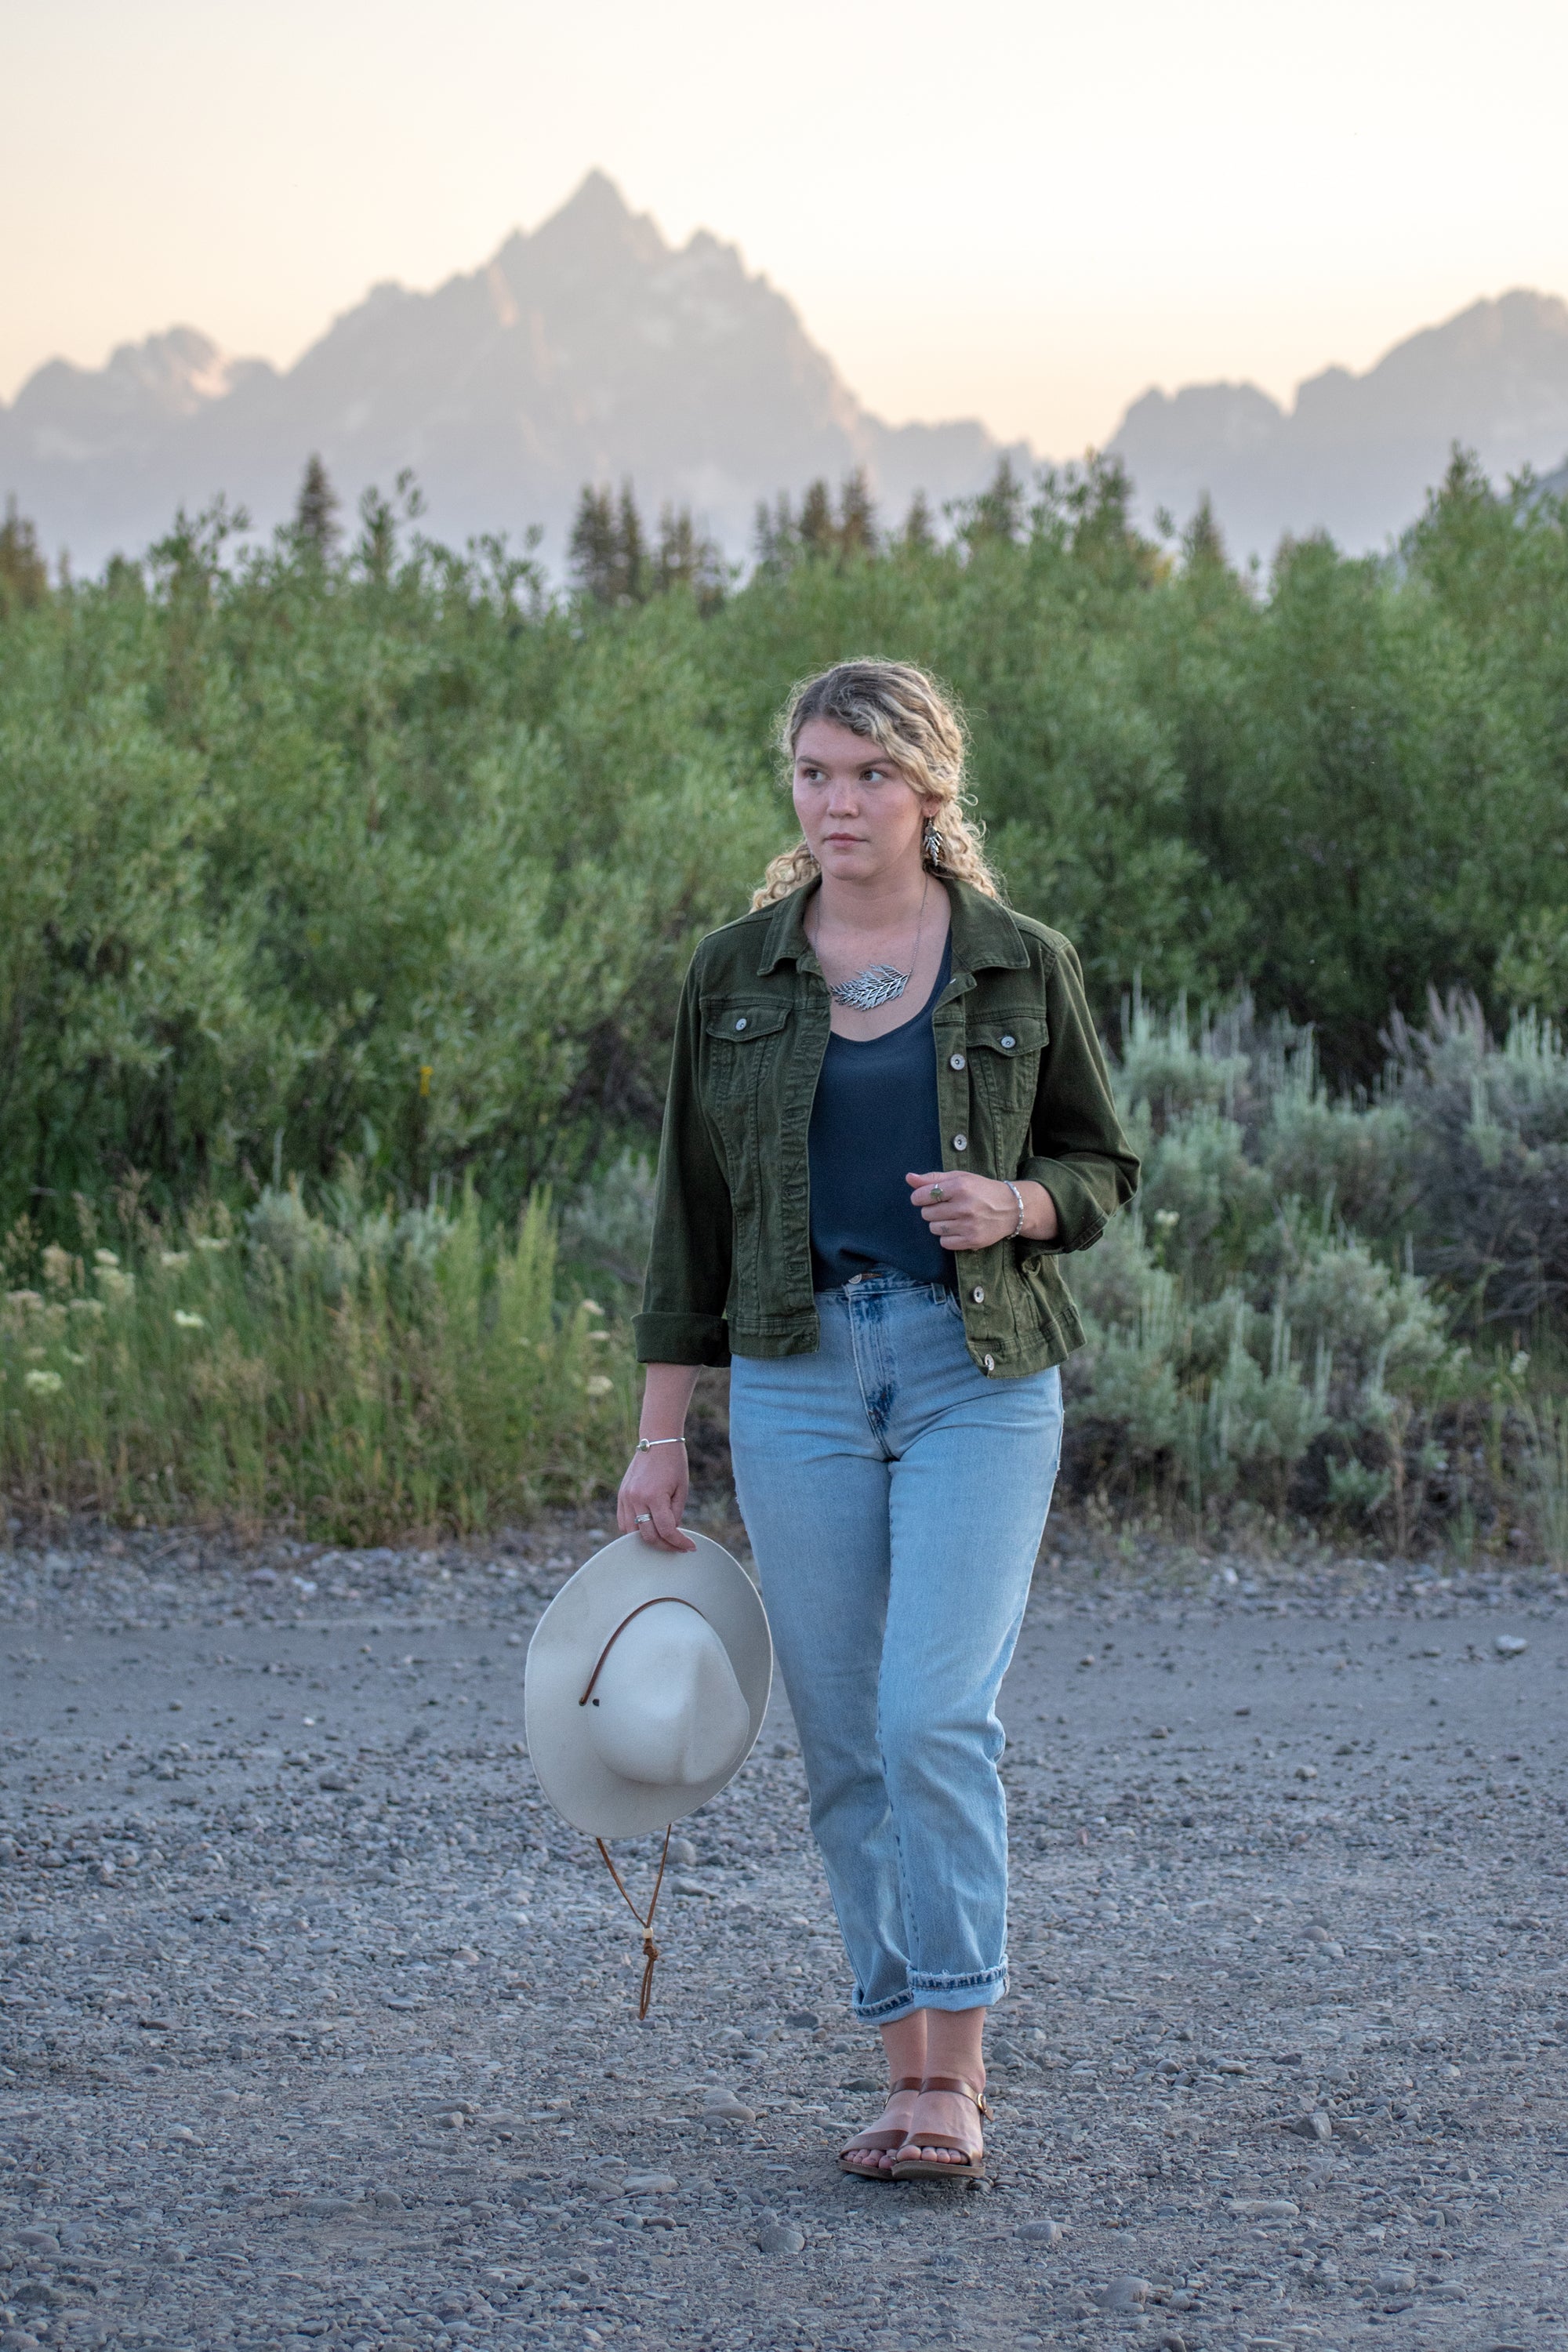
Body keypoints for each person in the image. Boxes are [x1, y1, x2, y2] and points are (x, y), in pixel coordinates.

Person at [618, 659, 1138, 2182]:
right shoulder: (736, 975)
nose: (835, 803)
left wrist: (1018, 1202)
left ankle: (957, 2078)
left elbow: (1102, 1166)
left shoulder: (1016, 963)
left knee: (931, 1716)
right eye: (811, 773)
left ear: (928, 791)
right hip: (797, 1375)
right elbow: (687, 1228)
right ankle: (898, 2060)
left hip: (977, 1372)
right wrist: (663, 1438)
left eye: (866, 775)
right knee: (843, 1736)